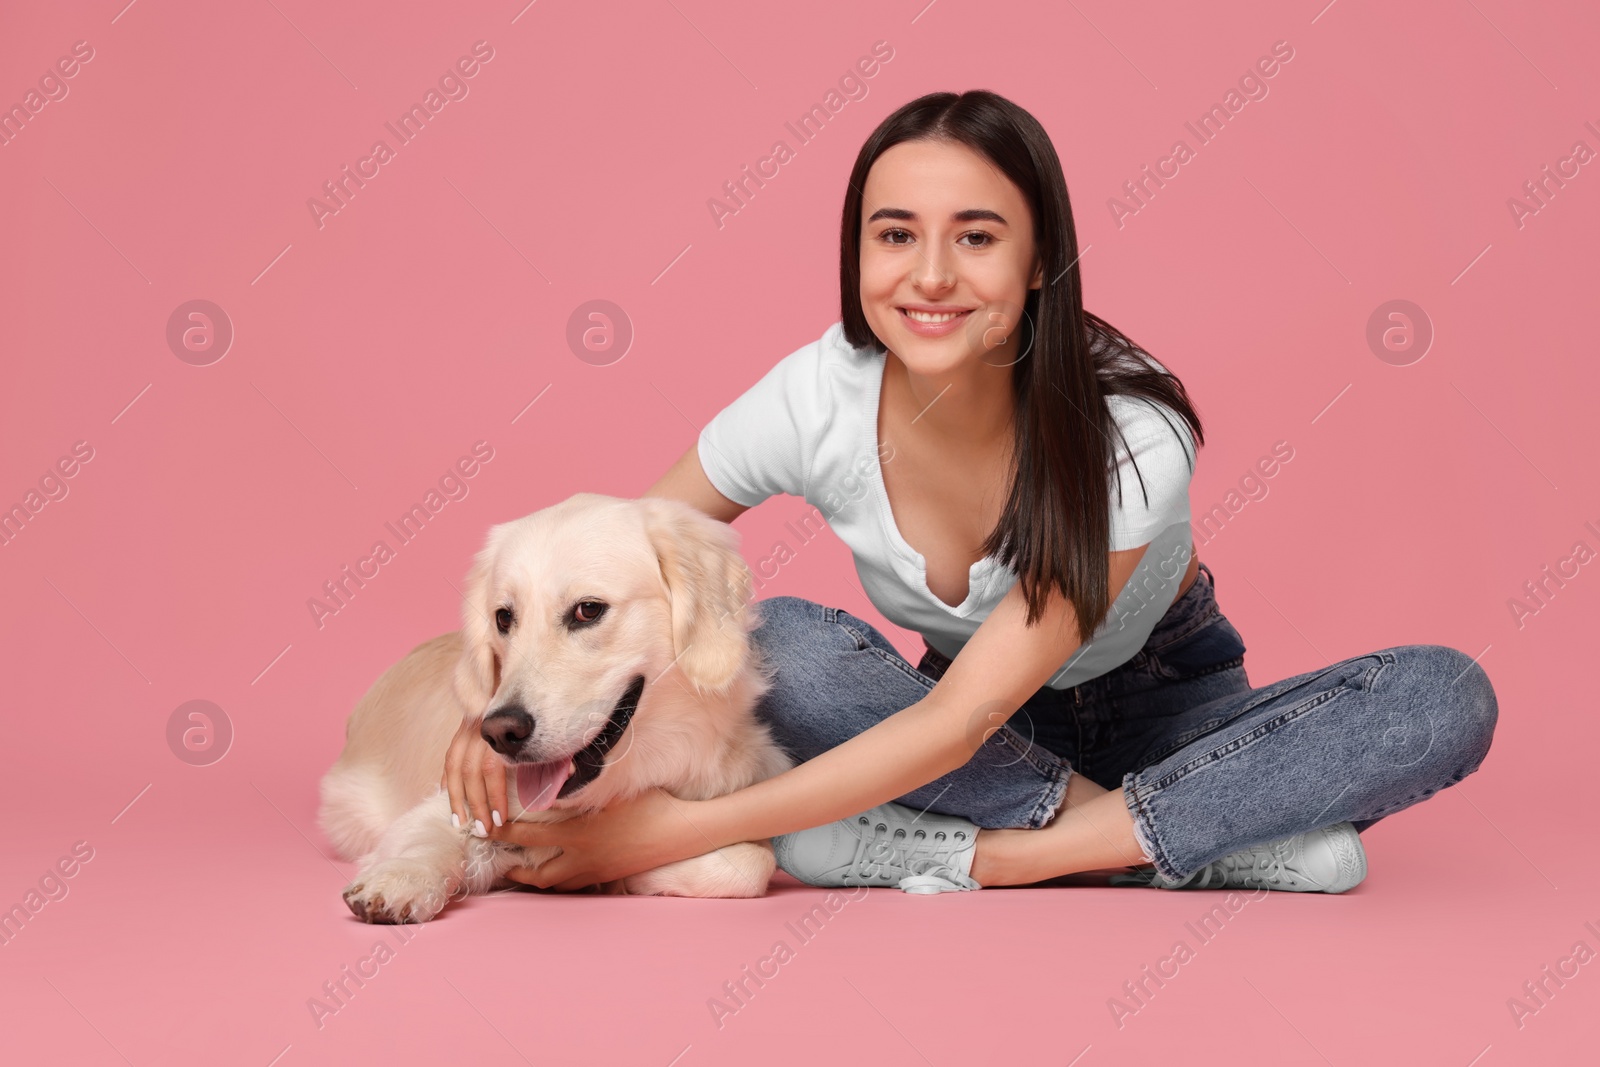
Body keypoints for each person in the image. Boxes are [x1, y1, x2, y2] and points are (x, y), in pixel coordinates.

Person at [444, 90, 1499, 896]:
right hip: (958, 732)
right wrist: (492, 697)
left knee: (1442, 693)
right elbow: (620, 551)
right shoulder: (816, 394)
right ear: (857, 251)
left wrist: (681, 829)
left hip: (1160, 712)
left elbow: (959, 720)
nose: (931, 275)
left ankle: (986, 854)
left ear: (1040, 259)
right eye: (895, 233)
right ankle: (1193, 838)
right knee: (790, 643)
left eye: (978, 236)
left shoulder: (1130, 429)